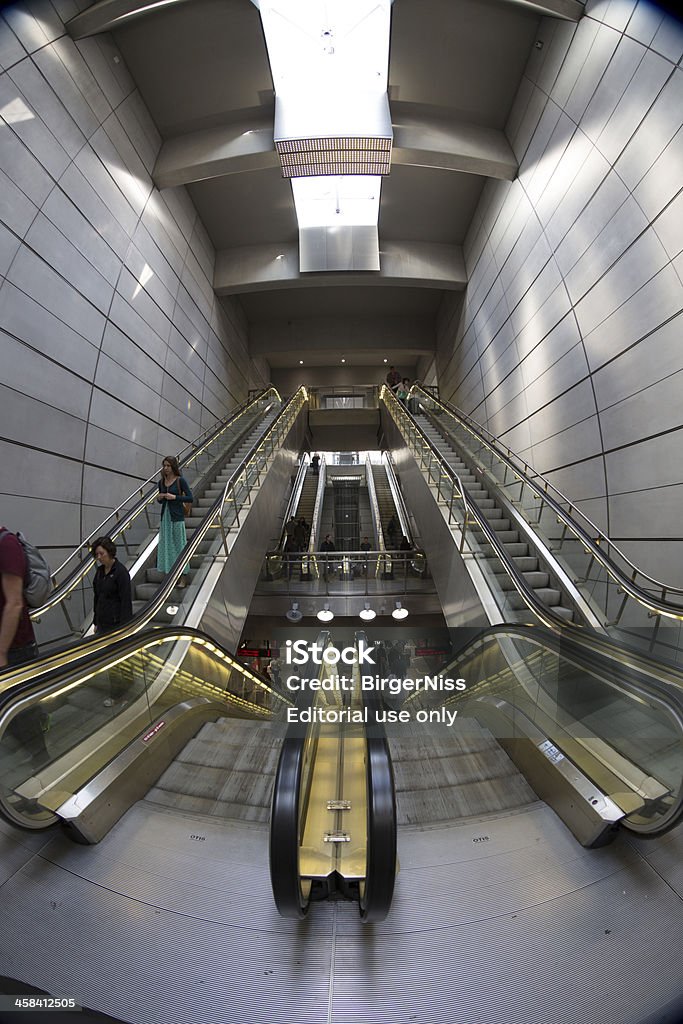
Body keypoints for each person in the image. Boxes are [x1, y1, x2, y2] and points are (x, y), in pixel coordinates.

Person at [0, 526, 48, 765]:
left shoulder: (6, 544)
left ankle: (42, 764)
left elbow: (15, 603)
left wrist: (1, 653)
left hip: (15, 648)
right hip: (7, 648)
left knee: (20, 709)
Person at [92, 537, 134, 707]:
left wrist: (125, 628)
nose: (99, 557)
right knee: (112, 660)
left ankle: (118, 695)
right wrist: (96, 621)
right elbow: (97, 598)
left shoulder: (121, 572)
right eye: (97, 554)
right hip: (103, 622)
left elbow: (126, 601)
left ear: (110, 552)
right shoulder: (100, 572)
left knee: (115, 660)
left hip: (117, 624)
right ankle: (125, 687)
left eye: (101, 553)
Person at [157, 456, 193, 587]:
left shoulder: (180, 481)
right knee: (167, 546)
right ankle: (170, 575)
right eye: (164, 465)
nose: (165, 468)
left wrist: (175, 497)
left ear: (173, 467)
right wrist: (160, 497)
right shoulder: (161, 482)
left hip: (177, 517)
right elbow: (160, 500)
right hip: (165, 518)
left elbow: (190, 498)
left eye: (168, 466)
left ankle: (183, 577)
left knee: (180, 546)